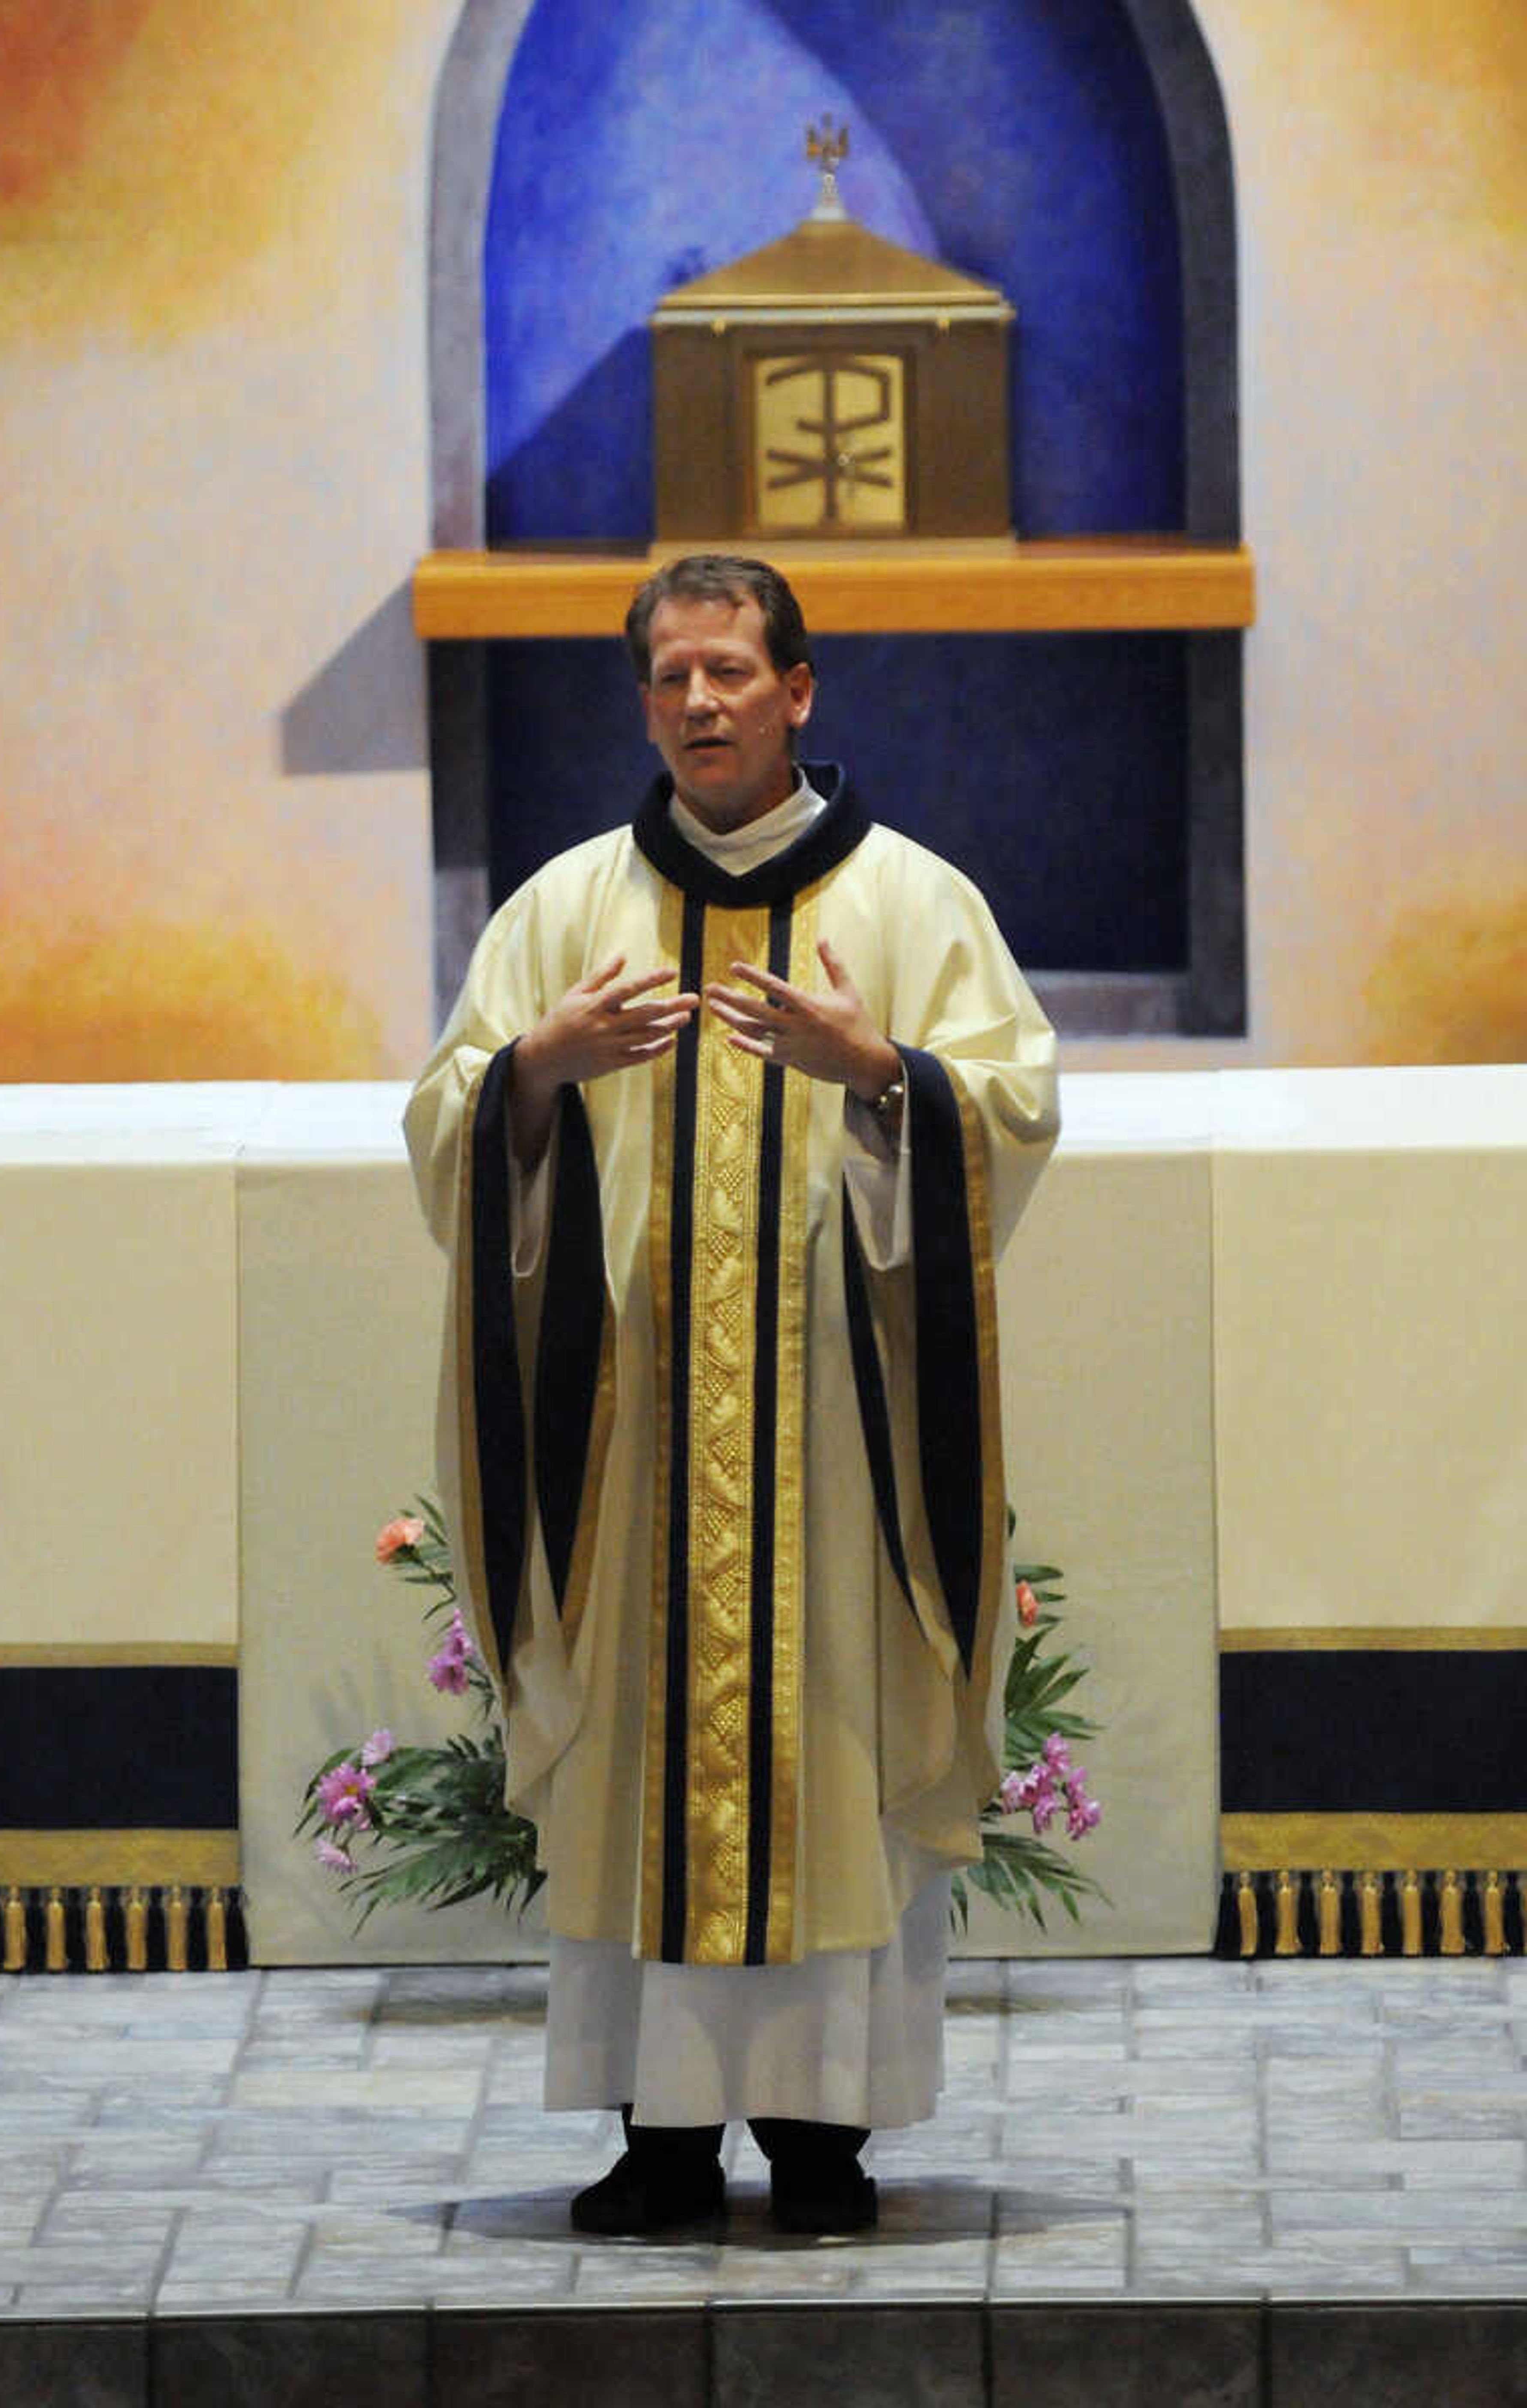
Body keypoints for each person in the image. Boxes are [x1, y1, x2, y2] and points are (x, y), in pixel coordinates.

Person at [403, 554, 1057, 2236]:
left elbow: (1018, 1109)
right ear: (644, 701)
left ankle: (825, 2134)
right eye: (668, 677)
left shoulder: (915, 905)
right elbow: (449, 1119)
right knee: (643, 1764)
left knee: (826, 1762)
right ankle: (663, 2135)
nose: (698, 704)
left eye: (730, 673)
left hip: (836, 1449)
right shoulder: (563, 910)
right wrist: (536, 1073)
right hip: (633, 1454)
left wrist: (884, 1079)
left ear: (800, 689)